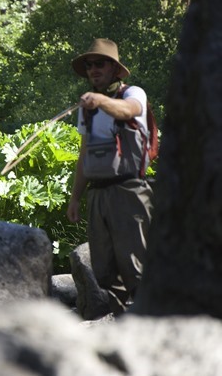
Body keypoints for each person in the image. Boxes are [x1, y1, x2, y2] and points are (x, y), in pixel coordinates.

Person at [66, 38, 154, 316]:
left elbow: (129, 112)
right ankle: (120, 324)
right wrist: (76, 197)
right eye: (89, 65)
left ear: (115, 69)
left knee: (137, 269)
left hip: (129, 191)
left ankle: (150, 326)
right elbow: (85, 155)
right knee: (104, 272)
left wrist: (101, 101)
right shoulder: (87, 109)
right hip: (98, 195)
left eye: (100, 64)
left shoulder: (133, 94)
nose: (93, 69)